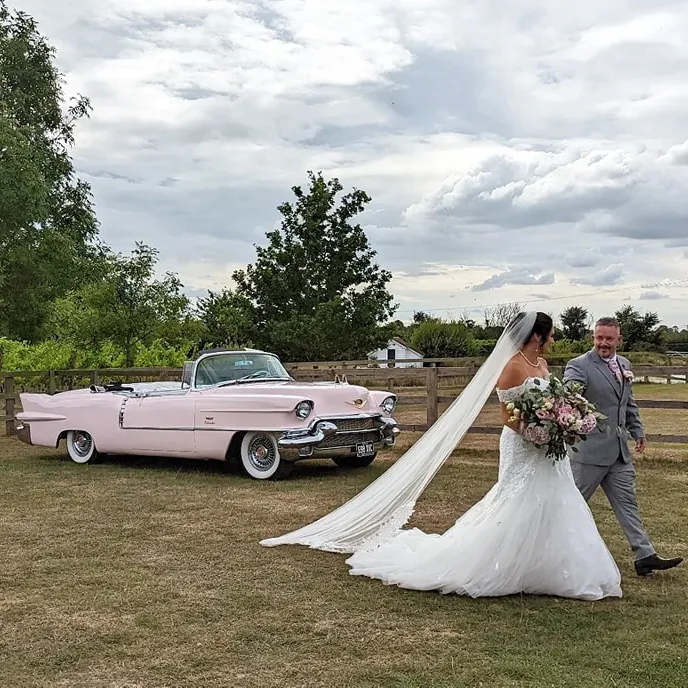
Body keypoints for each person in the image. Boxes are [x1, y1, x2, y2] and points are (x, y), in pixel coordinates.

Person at [262, 312, 622, 600]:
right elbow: (508, 416)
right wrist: (538, 433)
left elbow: (550, 403)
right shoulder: (511, 366)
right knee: (518, 500)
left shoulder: (541, 366)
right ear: (536, 336)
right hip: (523, 444)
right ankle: (499, 562)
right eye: (551, 334)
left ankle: (546, 565)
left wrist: (560, 425)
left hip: (548, 450)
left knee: (556, 502)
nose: (554, 340)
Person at [564, 317, 683, 577]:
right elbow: (569, 397)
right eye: (599, 338)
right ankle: (552, 555)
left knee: (628, 504)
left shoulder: (625, 365)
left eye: (609, 338)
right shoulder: (579, 366)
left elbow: (628, 404)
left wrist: (637, 431)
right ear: (593, 337)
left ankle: (645, 555)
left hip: (619, 452)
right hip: (589, 453)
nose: (603, 343)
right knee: (572, 505)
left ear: (619, 339)